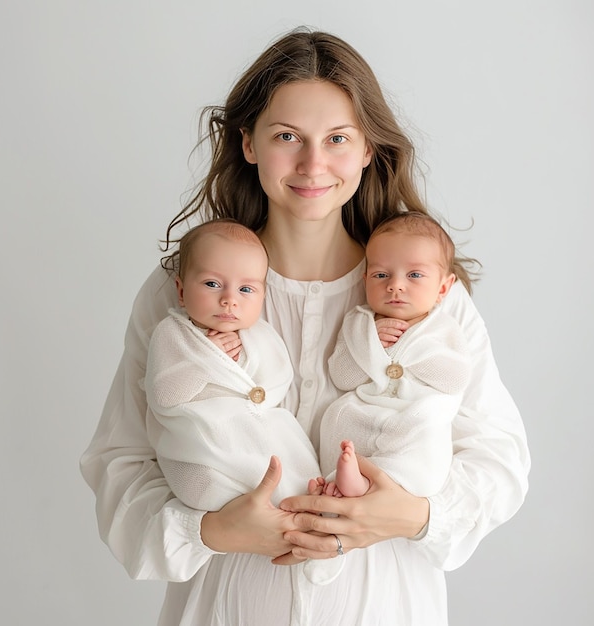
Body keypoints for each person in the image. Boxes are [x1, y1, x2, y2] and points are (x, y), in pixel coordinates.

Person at [80, 28, 530, 625]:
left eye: (337, 139)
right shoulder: (181, 293)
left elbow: (498, 458)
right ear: (248, 144)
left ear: (368, 149)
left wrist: (412, 516)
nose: (313, 164)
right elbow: (122, 461)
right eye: (287, 136)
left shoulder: (428, 297)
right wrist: (210, 529)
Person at [143, 219, 321, 513]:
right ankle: (284, 510)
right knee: (220, 476)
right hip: (202, 446)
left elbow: (278, 380)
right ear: (182, 291)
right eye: (212, 284)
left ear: (262, 297)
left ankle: (307, 496)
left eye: (246, 290)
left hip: (254, 432)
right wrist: (209, 361)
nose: (229, 300)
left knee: (286, 438)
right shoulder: (173, 332)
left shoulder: (258, 333)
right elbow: (163, 394)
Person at [313, 212, 472, 502]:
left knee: (426, 444)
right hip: (366, 410)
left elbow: (455, 379)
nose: (395, 285)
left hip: (416, 416)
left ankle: (375, 485)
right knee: (336, 419)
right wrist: (373, 344)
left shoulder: (443, 328)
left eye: (414, 275)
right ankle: (342, 479)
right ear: (365, 280)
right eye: (381, 275)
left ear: (443, 288)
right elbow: (342, 376)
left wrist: (408, 349)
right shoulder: (359, 322)